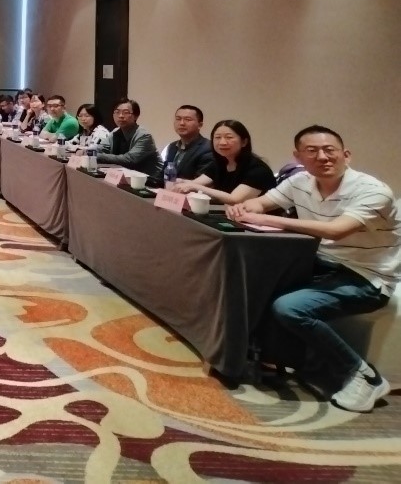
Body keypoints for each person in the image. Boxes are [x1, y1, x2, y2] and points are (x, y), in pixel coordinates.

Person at [228, 125, 399, 413]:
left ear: (346, 155)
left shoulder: (372, 190)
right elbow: (262, 202)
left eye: (329, 150)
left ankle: (364, 376)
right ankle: (269, 357)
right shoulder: (300, 182)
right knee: (253, 278)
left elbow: (336, 230)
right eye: (312, 151)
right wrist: (245, 207)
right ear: (298, 157)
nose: (322, 157)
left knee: (290, 308)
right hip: (321, 264)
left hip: (367, 277)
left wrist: (272, 220)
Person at [172, 119, 275, 207]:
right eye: (217, 137)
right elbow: (197, 183)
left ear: (244, 142)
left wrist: (195, 187)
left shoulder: (258, 170)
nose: (222, 142)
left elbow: (234, 199)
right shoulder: (220, 163)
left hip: (259, 220)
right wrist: (183, 182)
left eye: (229, 137)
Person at [98, 98, 160, 177]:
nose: (121, 116)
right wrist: (87, 151)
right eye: (117, 112)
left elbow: (129, 159)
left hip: (149, 180)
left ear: (136, 116)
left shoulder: (144, 136)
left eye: (126, 112)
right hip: (125, 176)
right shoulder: (115, 132)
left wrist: (97, 156)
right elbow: (102, 148)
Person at [159, 105, 213, 183]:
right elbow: (164, 175)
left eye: (188, 119)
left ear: (200, 125)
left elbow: (203, 181)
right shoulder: (172, 146)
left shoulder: (208, 148)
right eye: (178, 119)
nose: (182, 123)